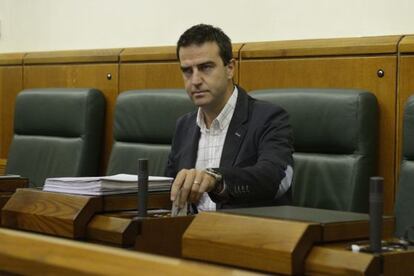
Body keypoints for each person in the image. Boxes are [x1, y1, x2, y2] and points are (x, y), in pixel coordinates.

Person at [166, 24, 294, 211]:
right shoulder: (184, 125)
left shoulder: (269, 118)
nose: (195, 80)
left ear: (230, 68)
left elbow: (275, 178)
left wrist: (216, 180)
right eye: (187, 71)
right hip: (188, 233)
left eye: (206, 67)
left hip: (245, 234)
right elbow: (169, 190)